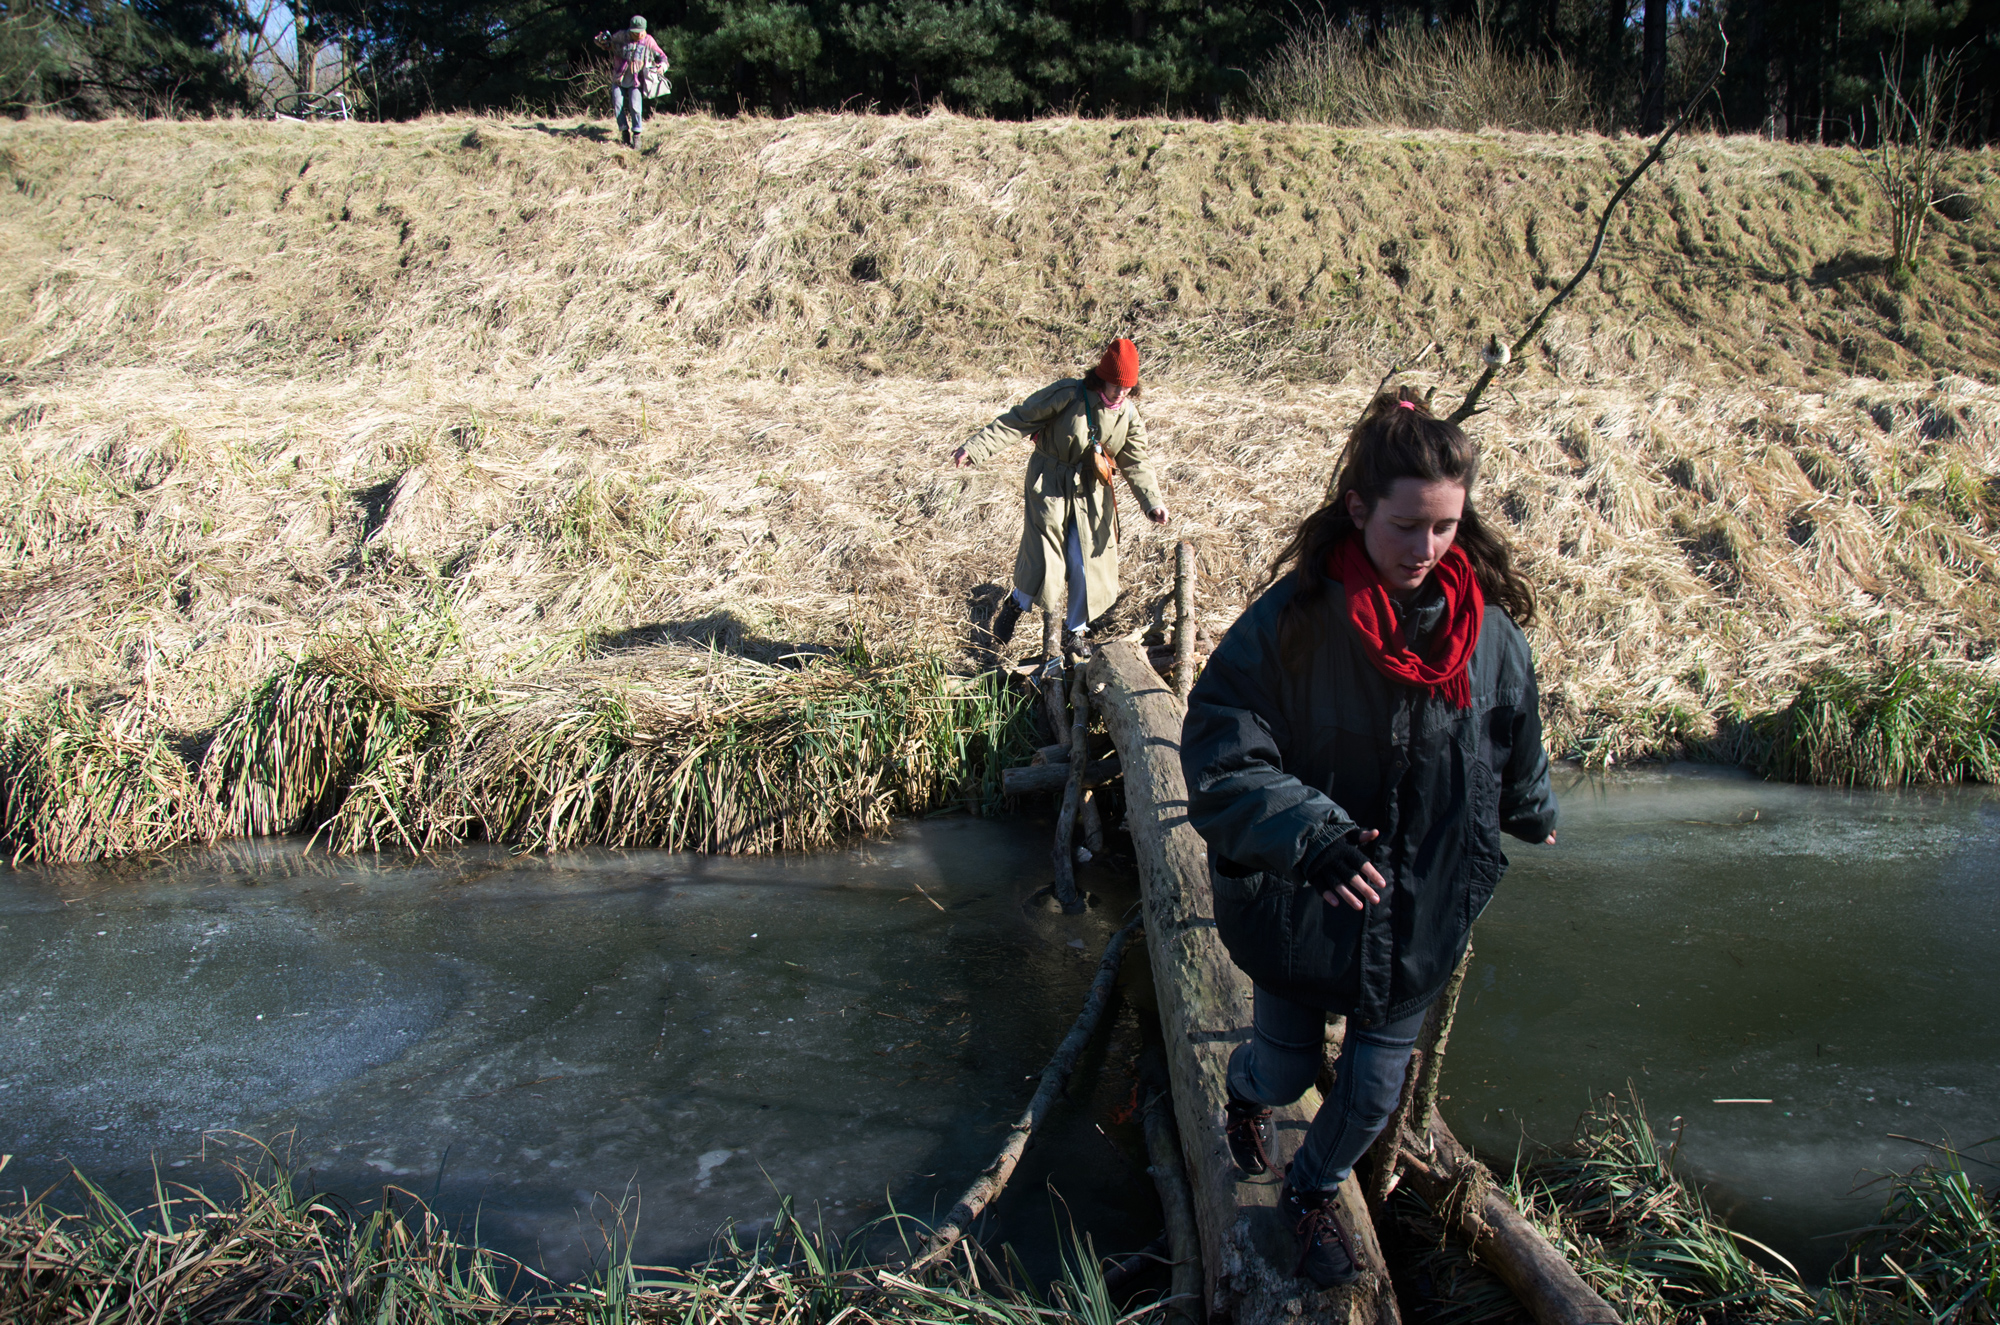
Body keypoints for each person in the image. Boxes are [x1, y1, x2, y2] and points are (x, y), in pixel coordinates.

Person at [1179, 387, 1557, 1289]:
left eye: (1446, 528)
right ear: (1358, 510)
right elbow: (1222, 749)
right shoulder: (1294, 623)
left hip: (1420, 906)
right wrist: (1313, 835)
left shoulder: (1491, 636)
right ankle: (1243, 1091)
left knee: (1376, 1089)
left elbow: (1514, 726)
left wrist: (1529, 805)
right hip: (1302, 905)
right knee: (1287, 1065)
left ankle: (1310, 1191)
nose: (1428, 550)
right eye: (1407, 527)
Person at [951, 338, 1169, 659]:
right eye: (1115, 385)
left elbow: (1136, 460)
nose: (1120, 393)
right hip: (1049, 482)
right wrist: (977, 447)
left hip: (1092, 493)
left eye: (1127, 387)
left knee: (1085, 564)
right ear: (1101, 377)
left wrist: (1152, 502)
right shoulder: (1067, 395)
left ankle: (1074, 631)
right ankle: (1017, 603)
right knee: (1045, 557)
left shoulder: (1128, 415)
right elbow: (1019, 419)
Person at [594, 16, 668, 150]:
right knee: (618, 105)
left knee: (635, 107)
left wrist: (662, 66)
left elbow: (662, 56)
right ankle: (624, 133)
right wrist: (600, 41)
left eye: (640, 31)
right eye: (635, 31)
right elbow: (608, 45)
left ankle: (637, 137)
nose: (638, 34)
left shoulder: (649, 41)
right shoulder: (621, 36)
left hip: (636, 81)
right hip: (619, 78)